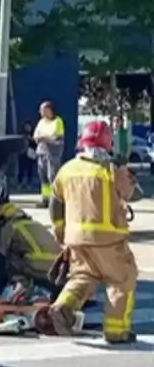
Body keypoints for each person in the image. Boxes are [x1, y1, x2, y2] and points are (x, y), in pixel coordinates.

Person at [42, 121, 141, 344]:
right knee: (122, 280)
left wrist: (60, 230)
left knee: (83, 277)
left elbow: (55, 203)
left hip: (76, 239)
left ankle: (62, 308)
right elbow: (132, 195)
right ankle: (117, 331)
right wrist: (127, 173)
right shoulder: (112, 170)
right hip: (108, 239)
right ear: (108, 145)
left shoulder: (67, 170)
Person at [0, 201, 61, 287]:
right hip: (59, 267)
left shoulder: (10, 226)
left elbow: (0, 255)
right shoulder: (35, 224)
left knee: (11, 259)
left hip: (40, 265)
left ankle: (22, 286)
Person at [33, 101, 65, 209]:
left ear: (49, 110)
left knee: (52, 176)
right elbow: (36, 135)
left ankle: (56, 200)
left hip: (53, 153)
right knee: (43, 177)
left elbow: (56, 137)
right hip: (42, 151)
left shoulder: (58, 121)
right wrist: (41, 138)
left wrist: (45, 138)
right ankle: (45, 200)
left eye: (42, 110)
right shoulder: (41, 122)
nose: (40, 112)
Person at [18, 122, 37, 188]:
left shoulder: (33, 135)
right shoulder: (21, 135)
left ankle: (29, 183)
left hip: (30, 154)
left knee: (30, 169)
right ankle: (20, 182)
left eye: (29, 127)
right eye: (26, 127)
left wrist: (31, 140)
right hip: (23, 154)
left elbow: (35, 144)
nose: (27, 129)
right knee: (21, 169)